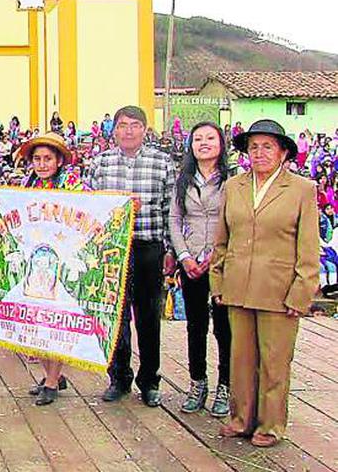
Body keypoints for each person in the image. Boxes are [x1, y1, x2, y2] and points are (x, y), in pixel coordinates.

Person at [210, 119, 318, 448]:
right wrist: (218, 281)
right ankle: (241, 418)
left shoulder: (302, 189)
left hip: (279, 290)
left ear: (284, 152)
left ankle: (270, 426)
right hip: (238, 287)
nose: (259, 153)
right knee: (240, 359)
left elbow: (309, 249)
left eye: (267, 146)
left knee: (274, 362)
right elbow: (222, 242)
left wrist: (300, 293)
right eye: (253, 147)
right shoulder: (235, 187)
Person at [88, 105, 175, 408]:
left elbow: (169, 211)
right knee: (115, 315)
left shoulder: (162, 163)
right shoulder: (100, 163)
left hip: (148, 246)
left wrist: (169, 250)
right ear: (114, 130)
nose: (128, 130)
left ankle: (149, 380)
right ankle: (119, 376)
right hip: (113, 248)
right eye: (122, 125)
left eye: (134, 125)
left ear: (145, 129)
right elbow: (91, 208)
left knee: (149, 316)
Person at [168, 122, 232, 417]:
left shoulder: (233, 180)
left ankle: (226, 386)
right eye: (197, 139)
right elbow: (174, 219)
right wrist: (183, 256)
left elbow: (236, 221)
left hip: (223, 263)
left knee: (224, 327)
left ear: (221, 143)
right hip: (190, 262)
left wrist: (215, 255)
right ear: (190, 146)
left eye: (210, 138)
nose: (203, 143)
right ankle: (198, 382)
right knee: (195, 325)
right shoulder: (183, 179)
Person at [16, 132, 84, 405]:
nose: (42, 164)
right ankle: (50, 374)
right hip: (35, 260)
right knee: (37, 322)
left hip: (62, 260)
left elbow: (90, 209)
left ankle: (53, 381)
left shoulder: (73, 184)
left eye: (47, 158)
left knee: (55, 322)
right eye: (37, 159)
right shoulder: (27, 183)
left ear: (58, 161)